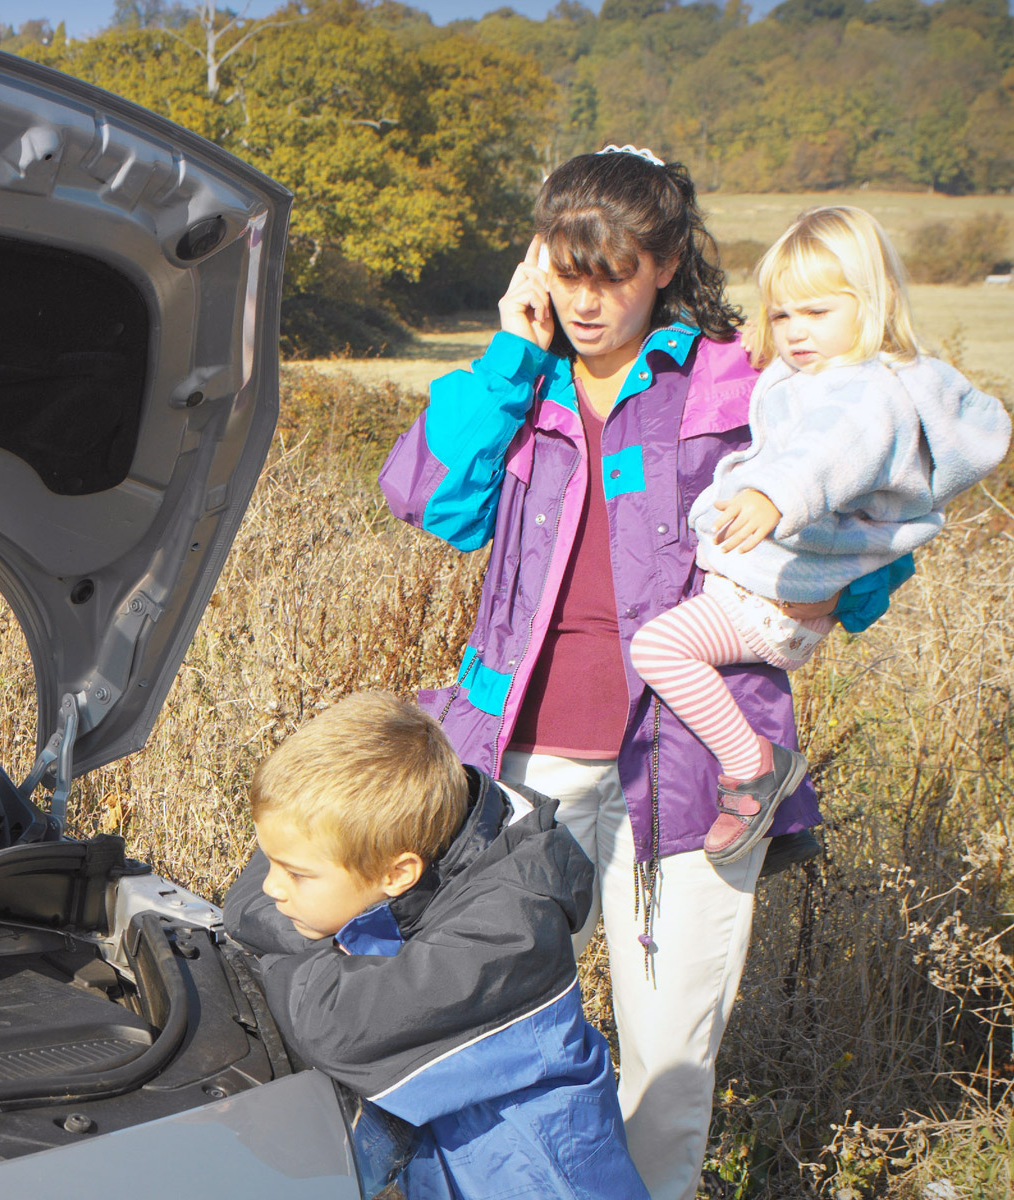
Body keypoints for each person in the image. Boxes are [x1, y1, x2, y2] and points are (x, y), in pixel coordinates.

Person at [375, 146, 909, 1199]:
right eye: (567, 270)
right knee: (483, 1021)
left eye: (611, 271)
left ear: (664, 262)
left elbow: (876, 484)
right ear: (539, 262)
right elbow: (429, 499)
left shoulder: (734, 378)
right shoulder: (520, 378)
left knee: (667, 1057)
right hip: (520, 762)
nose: (586, 298)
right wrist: (508, 350)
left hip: (691, 768)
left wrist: (834, 595)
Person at [630, 206, 1010, 865]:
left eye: (815, 314)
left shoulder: (864, 393)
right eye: (782, 315)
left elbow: (825, 452)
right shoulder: (832, 371)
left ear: (872, 304)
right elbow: (798, 399)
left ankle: (755, 771)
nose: (795, 333)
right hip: (780, 600)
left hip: (768, 607)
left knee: (658, 649)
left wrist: (774, 495)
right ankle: (781, 827)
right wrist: (764, 344)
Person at [224, 690, 647, 1199]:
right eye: (273, 862)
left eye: (294, 873)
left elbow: (334, 1024)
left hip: (539, 1180)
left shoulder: (507, 935)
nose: (272, 886)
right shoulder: (406, 843)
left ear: (398, 872)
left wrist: (280, 965)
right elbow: (246, 905)